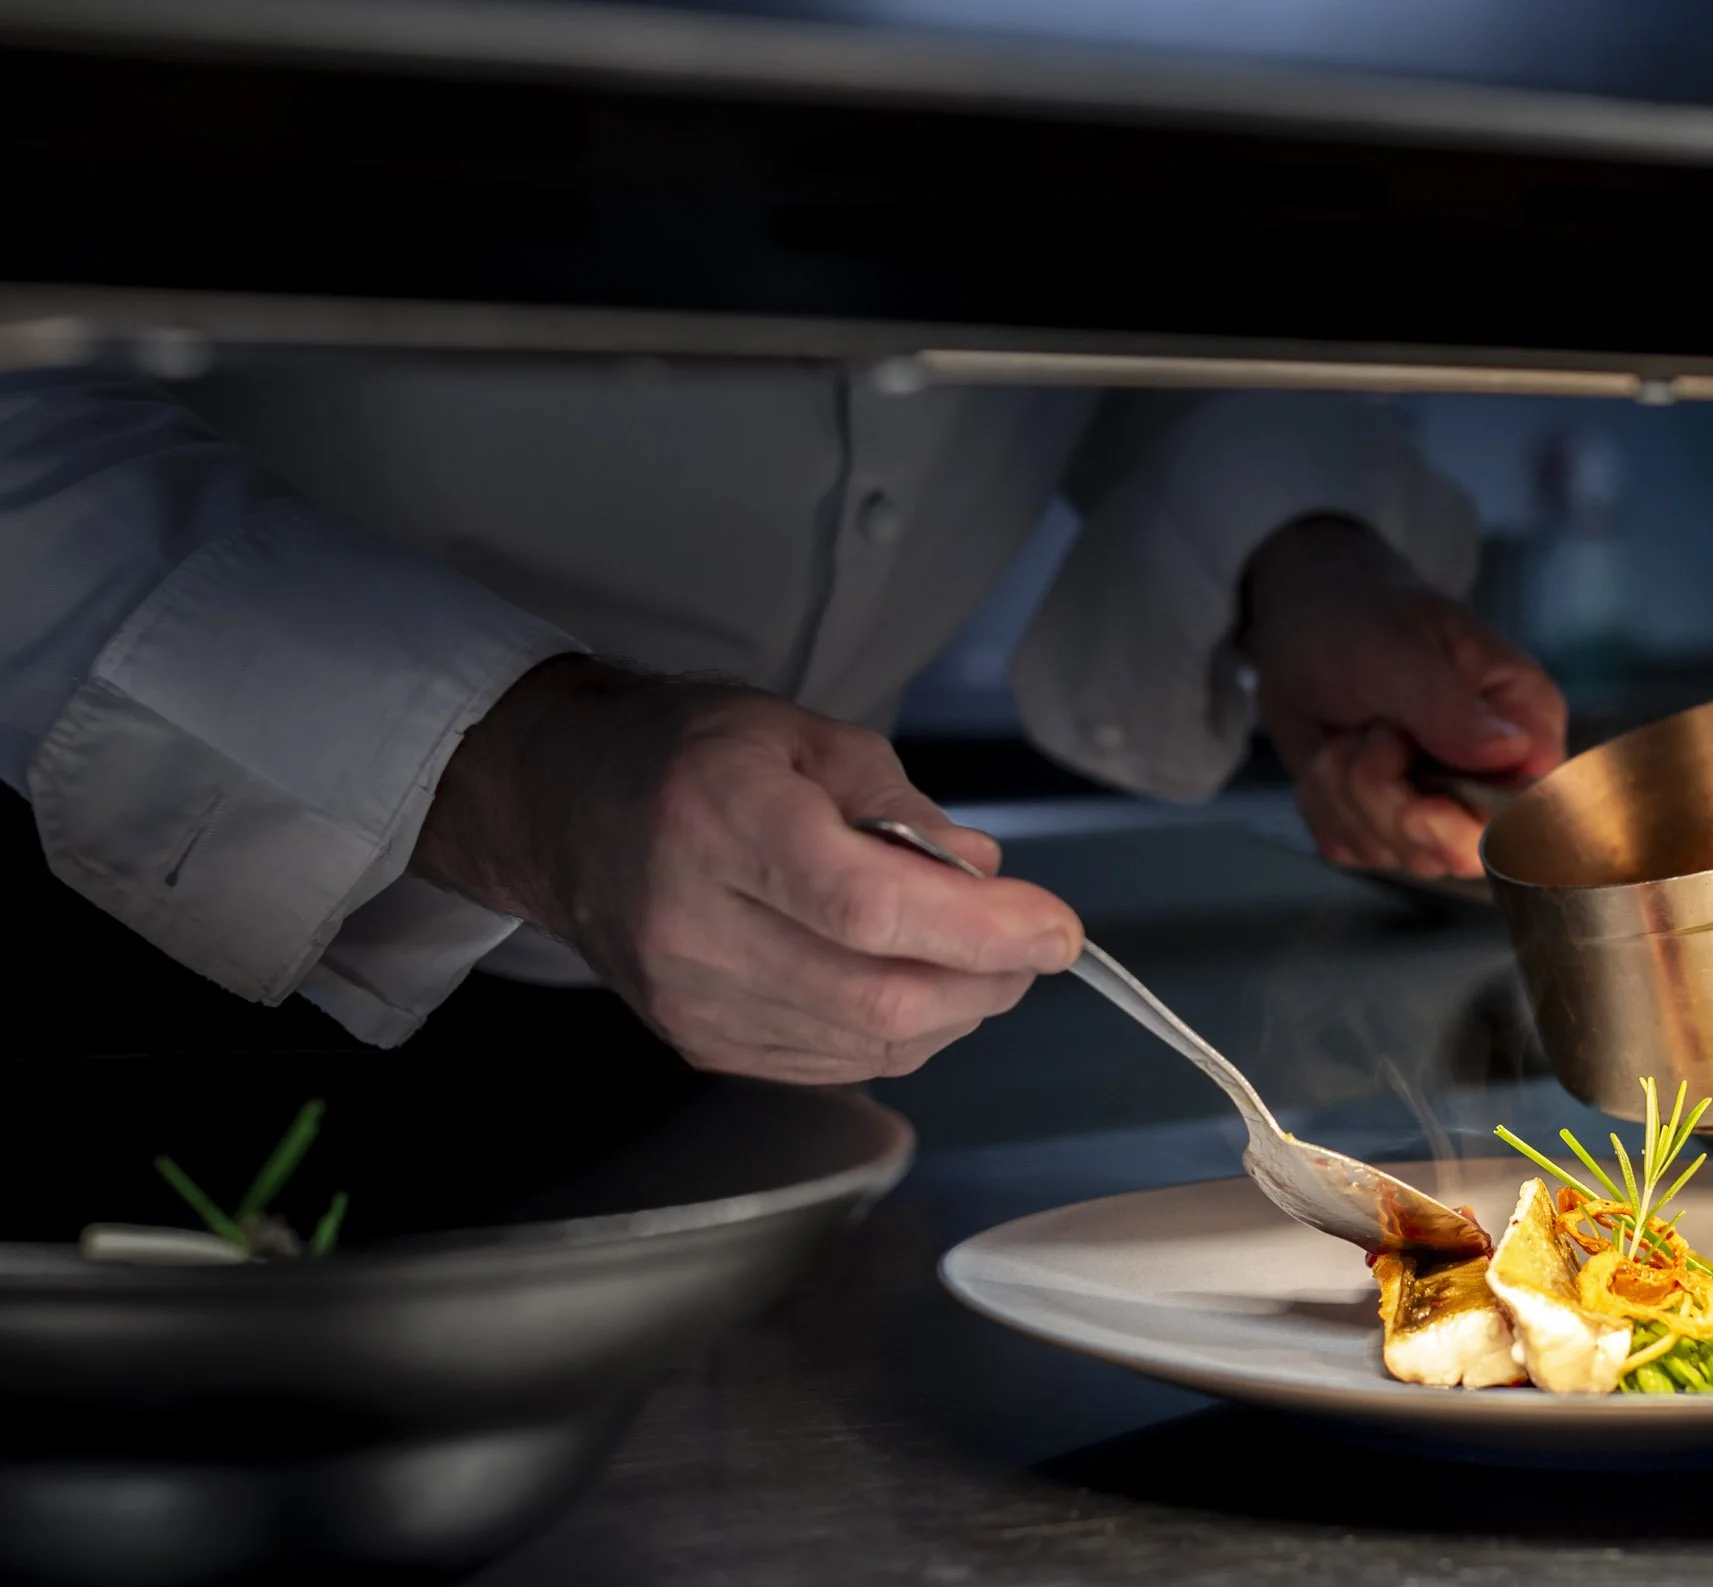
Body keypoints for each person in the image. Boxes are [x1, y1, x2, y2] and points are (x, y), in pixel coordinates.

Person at [0, 359, 1566, 1085]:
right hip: (158, 951)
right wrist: (531, 767)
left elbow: (1145, 251)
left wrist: (1303, 556)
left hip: (789, 1021)